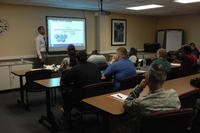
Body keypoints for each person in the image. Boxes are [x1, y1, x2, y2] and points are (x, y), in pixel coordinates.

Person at [111, 64, 181, 133]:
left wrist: (139, 88)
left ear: (147, 80)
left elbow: (126, 104)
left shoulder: (142, 102)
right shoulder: (174, 94)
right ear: (164, 78)